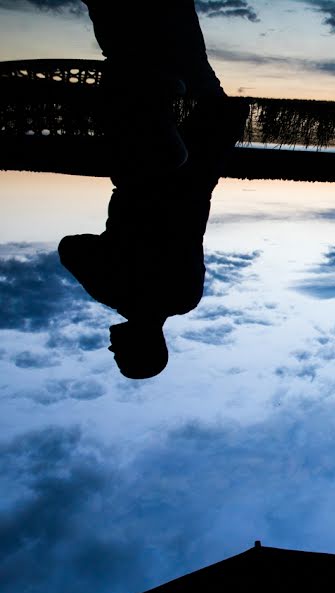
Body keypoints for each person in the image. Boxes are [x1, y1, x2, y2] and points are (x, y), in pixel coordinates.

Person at [58, 0, 246, 379]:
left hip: (196, 174)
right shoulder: (112, 289)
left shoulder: (185, 298)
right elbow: (70, 246)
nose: (111, 347)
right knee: (128, 57)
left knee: (201, 80)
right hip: (142, 167)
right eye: (119, 353)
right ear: (136, 344)